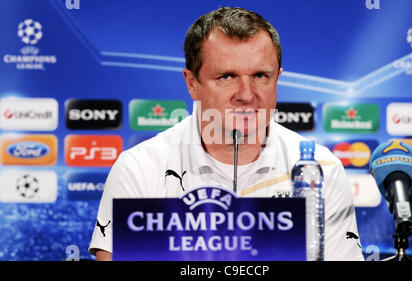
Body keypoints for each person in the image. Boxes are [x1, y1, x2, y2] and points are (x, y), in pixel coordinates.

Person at [89, 7, 364, 261]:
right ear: (192, 83)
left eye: (260, 76)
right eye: (227, 77)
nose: (246, 95)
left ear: (277, 78)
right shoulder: (139, 168)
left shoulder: (320, 168)